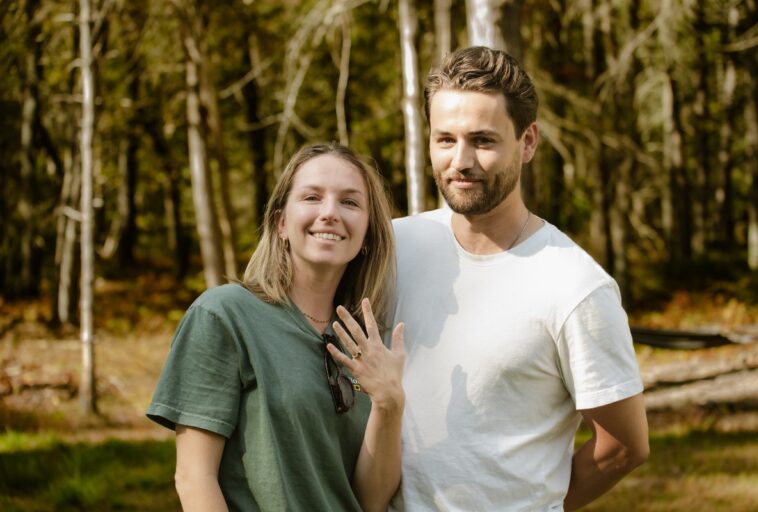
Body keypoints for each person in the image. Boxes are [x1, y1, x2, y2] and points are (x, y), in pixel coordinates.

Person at [389, 46, 649, 511]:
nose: (460, 161)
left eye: (483, 141)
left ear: (528, 142)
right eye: (445, 139)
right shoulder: (395, 246)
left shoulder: (575, 286)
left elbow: (625, 445)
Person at [147, 143, 406, 512]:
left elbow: (369, 499)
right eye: (312, 197)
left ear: (366, 234)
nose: (330, 213)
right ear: (281, 222)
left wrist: (389, 404)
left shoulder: (366, 341)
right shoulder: (225, 316)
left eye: (349, 202)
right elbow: (193, 479)